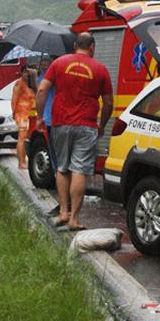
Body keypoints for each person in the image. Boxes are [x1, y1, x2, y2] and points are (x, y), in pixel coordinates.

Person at [36, 33, 113, 230]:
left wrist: (39, 117)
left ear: (75, 45)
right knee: (79, 170)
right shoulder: (100, 69)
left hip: (60, 123)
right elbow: (108, 102)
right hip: (86, 125)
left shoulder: (59, 63)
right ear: (92, 47)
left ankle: (63, 212)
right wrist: (102, 124)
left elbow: (42, 90)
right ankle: (74, 220)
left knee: (62, 168)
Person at [11, 65, 36, 170]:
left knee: (27, 137)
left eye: (28, 72)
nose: (27, 74)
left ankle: (24, 159)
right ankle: (21, 162)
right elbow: (14, 99)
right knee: (22, 137)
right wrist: (14, 112)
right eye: (25, 72)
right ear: (21, 73)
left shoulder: (32, 83)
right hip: (21, 113)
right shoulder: (19, 84)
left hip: (32, 114)